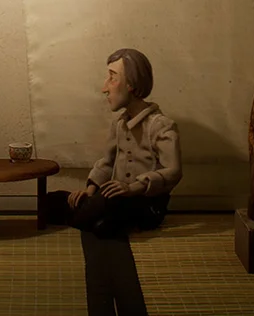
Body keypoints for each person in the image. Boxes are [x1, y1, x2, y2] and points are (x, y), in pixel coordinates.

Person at [54, 48, 183, 237]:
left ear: (131, 83)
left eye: (112, 78)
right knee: (54, 200)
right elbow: (107, 162)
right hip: (115, 199)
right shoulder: (119, 124)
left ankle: (82, 216)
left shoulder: (161, 125)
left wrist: (132, 188)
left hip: (146, 204)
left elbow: (173, 171)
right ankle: (85, 213)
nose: (104, 88)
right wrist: (89, 190)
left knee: (104, 217)